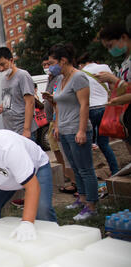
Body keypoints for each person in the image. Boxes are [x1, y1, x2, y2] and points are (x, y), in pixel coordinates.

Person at [44, 43, 98, 221]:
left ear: (63, 60)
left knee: (85, 169)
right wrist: (57, 126)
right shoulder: (60, 79)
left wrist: (82, 130)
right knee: (74, 167)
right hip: (64, 130)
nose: (50, 66)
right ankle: (81, 199)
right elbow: (58, 105)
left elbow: (84, 104)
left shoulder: (79, 77)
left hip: (77, 129)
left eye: (52, 62)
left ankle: (91, 205)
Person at [77, 52, 120, 175]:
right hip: (105, 109)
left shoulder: (80, 73)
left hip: (89, 110)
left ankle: (89, 173)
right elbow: (113, 87)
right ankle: (115, 171)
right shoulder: (105, 67)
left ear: (81, 64)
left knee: (86, 145)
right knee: (104, 143)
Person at [42, 55, 77, 194]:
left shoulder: (67, 78)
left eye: (49, 63)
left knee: (72, 158)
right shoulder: (52, 78)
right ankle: (70, 178)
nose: (47, 67)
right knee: (58, 150)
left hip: (65, 121)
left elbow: (78, 103)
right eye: (45, 64)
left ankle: (75, 182)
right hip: (55, 120)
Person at [98, 23, 131, 154]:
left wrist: (114, 80)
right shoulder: (124, 63)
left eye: (110, 46)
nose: (110, 50)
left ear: (123, 37)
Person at [0, 47, 38, 140]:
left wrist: (26, 130)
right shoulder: (4, 79)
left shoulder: (22, 75)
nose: (0, 68)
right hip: (10, 131)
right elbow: (7, 102)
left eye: (3, 64)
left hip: (23, 130)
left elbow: (30, 102)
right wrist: (2, 107)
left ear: (11, 60)